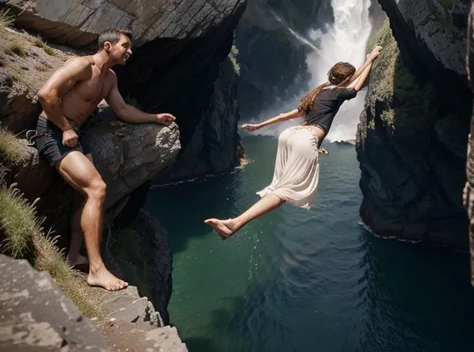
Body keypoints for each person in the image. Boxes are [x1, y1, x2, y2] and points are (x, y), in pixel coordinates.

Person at [34, 27, 176, 291]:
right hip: (53, 132)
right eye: (125, 46)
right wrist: (64, 128)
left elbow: (122, 110)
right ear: (108, 46)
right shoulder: (81, 66)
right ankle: (96, 270)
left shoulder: (109, 78)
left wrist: (154, 118)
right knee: (96, 189)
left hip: (76, 134)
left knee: (83, 196)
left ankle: (74, 254)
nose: (130, 51)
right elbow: (46, 94)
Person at [204, 46, 382, 239]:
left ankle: (235, 222)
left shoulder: (318, 91)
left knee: (279, 187)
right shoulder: (337, 93)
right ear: (344, 80)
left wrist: (260, 125)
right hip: (306, 139)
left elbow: (289, 115)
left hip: (290, 135)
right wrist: (371, 60)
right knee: (284, 193)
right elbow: (355, 86)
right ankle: (234, 224)